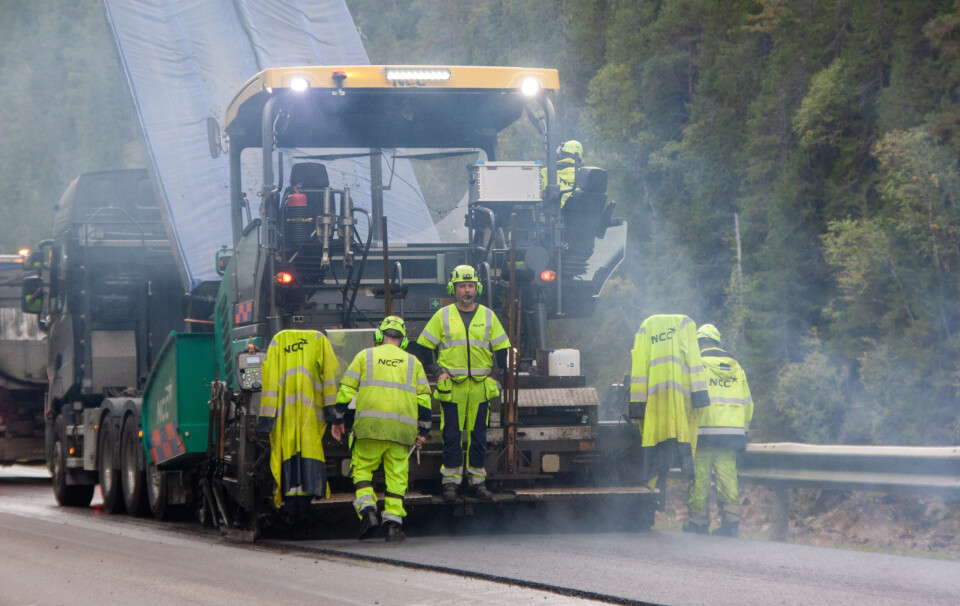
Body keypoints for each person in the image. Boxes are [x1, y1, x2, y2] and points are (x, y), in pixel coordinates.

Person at [329, 316, 432, 541]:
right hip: (401, 432)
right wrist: (423, 432)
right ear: (403, 340)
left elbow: (345, 391)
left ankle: (368, 513)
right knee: (397, 477)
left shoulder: (364, 356)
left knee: (362, 470)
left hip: (369, 429)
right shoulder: (414, 362)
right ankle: (394, 525)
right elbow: (424, 401)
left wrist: (337, 420)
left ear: (379, 335)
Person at [416, 265, 510, 503]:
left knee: (478, 436)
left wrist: (495, 374)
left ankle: (478, 482)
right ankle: (451, 483)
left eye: (470, 286)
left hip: (479, 388)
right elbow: (424, 346)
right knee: (452, 435)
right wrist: (437, 371)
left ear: (476, 288)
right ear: (453, 289)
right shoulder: (443, 315)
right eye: (461, 286)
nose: (466, 291)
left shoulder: (488, 315)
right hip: (454, 388)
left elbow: (502, 348)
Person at [628, 314, 710, 501]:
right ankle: (659, 489)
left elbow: (639, 368)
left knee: (654, 447)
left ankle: (648, 494)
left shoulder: (645, 327)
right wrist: (699, 396)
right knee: (682, 439)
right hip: (681, 403)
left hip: (654, 404)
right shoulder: (685, 324)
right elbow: (695, 363)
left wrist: (637, 405)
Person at [683, 324, 754, 538]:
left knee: (700, 479)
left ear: (699, 344)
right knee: (728, 478)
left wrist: (685, 430)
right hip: (731, 435)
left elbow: (688, 401)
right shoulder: (737, 368)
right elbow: (748, 403)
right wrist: (744, 430)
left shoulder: (697, 367)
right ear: (717, 342)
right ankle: (731, 525)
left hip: (703, 433)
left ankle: (698, 523)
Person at [258, 329, 339, 509]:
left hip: (284, 418)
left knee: (286, 454)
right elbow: (330, 375)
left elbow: (269, 379)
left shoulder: (278, 341)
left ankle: (291, 501)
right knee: (311, 452)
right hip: (311, 416)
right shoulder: (319, 340)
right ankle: (306, 498)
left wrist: (266, 418)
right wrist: (332, 413)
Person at [540, 139, 583, 208]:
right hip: (579, 216)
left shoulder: (546, 172)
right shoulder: (584, 175)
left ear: (560, 155)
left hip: (553, 216)